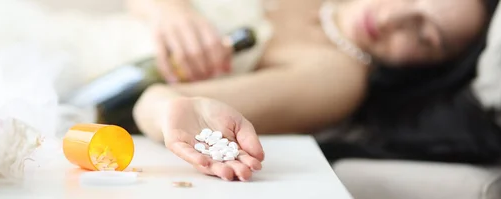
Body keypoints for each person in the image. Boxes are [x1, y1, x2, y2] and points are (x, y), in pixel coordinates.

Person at [126, 0, 500, 181]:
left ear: (427, 68)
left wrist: (173, 109)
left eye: (424, 35)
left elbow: (154, 103)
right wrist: (167, 9)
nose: (391, 17)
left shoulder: (335, 79)